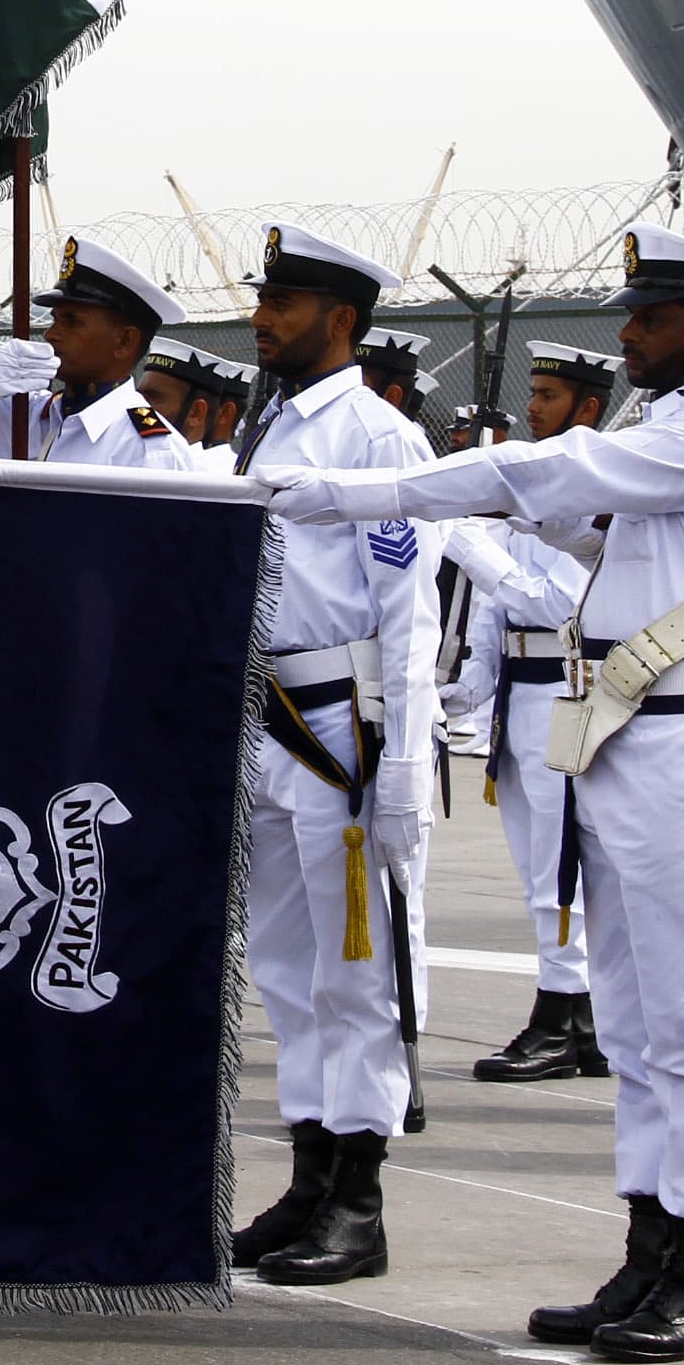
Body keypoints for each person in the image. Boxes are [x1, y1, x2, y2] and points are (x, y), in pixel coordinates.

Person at [256, 222, 684, 1364]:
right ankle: (651, 1252)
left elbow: (535, 474)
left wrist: (356, 494)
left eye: (650, 318)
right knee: (640, 1022)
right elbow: (571, 517)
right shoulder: (674, 430)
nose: (628, 334)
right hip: (629, 735)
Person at [224, 225, 439, 1289]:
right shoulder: (271, 430)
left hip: (344, 724)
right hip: (272, 719)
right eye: (266, 299)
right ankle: (309, 1180)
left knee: (354, 975)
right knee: (289, 971)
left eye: (284, 302)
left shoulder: (377, 438)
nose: (263, 316)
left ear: (341, 321)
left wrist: (398, 761)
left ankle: (359, 1200)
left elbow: (407, 613)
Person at [448, 343, 618, 1087]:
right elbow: (497, 615)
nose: (532, 409)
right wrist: (468, 688)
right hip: (522, 690)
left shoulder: (601, 489)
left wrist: (478, 548)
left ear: (587, 409)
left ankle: (566, 1015)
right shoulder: (530, 481)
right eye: (534, 393)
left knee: (562, 870)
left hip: (569, 689)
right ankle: (576, 1017)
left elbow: (560, 603)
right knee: (536, 867)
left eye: (549, 396)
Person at [0, 240, 197, 470]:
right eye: (54, 320)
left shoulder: (150, 450)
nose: (52, 334)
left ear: (125, 341)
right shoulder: (33, 415)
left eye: (72, 322)